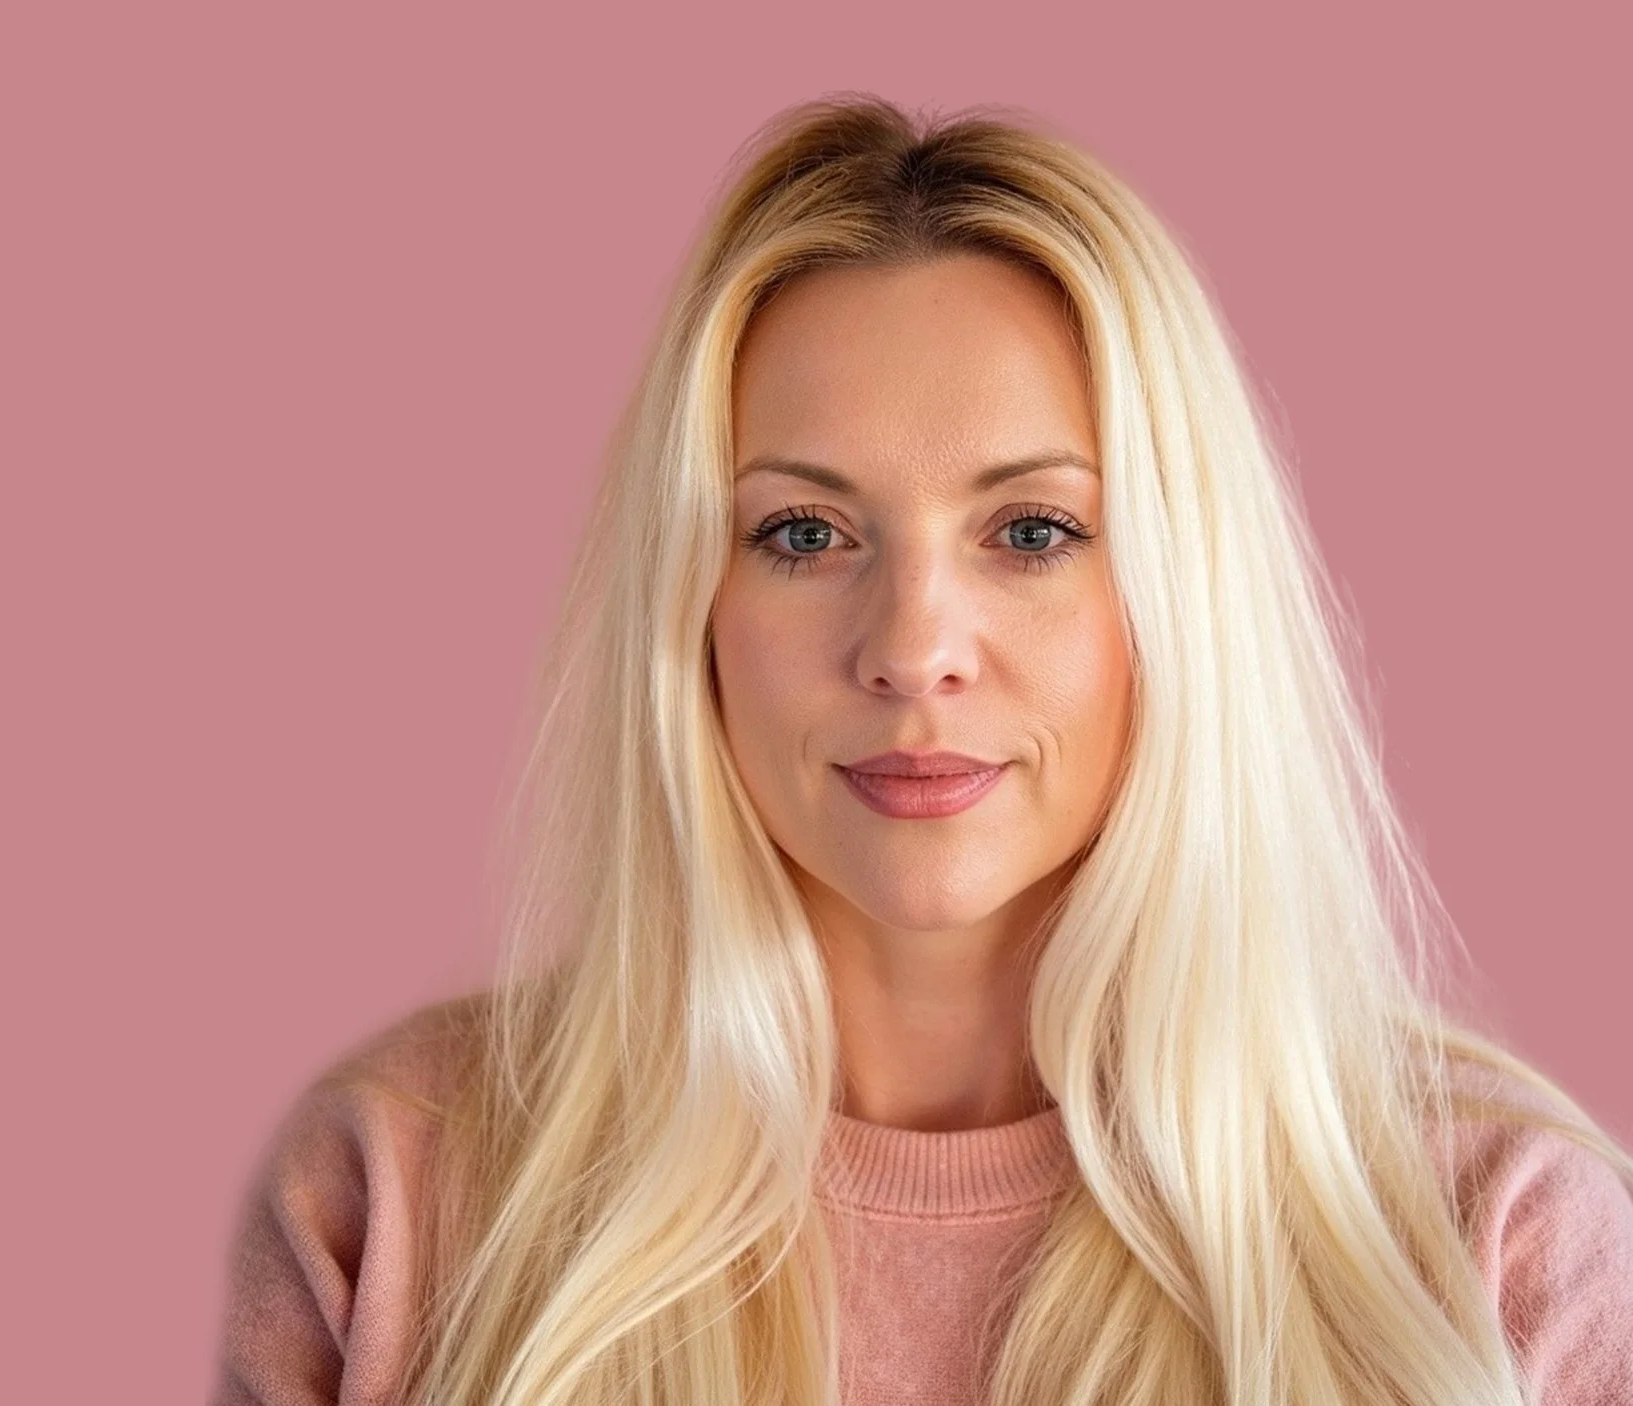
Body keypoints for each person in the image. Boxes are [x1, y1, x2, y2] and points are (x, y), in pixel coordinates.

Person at [209, 93, 1633, 1406]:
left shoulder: (1498, 1233)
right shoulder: (396, 1196)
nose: (912, 646)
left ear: (1181, 597)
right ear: (692, 603)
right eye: (803, 532)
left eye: (1033, 530)